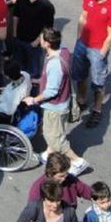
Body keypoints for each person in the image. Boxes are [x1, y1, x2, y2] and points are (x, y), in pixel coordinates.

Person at [25, 28, 89, 176]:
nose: (39, 40)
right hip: (64, 101)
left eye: (41, 39)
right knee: (53, 132)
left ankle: (78, 162)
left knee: (55, 138)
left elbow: (51, 91)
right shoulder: (64, 51)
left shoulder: (54, 64)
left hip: (55, 107)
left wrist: (33, 99)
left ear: (47, 43)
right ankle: (48, 153)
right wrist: (39, 80)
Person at [73, 0, 111, 128]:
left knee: (98, 82)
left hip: (97, 49)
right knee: (80, 75)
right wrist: (79, 38)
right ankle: (81, 101)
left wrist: (102, 52)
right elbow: (83, 17)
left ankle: (97, 109)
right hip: (82, 44)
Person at [12, 0, 55, 88]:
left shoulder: (46, 6)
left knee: (34, 73)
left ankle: (33, 97)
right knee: (20, 70)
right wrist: (15, 33)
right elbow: (16, 15)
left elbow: (48, 27)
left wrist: (36, 42)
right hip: (19, 39)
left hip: (33, 44)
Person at [14, 180, 80, 222]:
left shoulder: (69, 212)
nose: (55, 205)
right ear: (43, 198)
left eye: (58, 200)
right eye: (51, 201)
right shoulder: (33, 207)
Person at [28, 152, 93, 208]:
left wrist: (98, 197)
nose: (65, 178)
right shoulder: (37, 188)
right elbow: (33, 211)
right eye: (61, 176)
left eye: (66, 173)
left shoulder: (69, 178)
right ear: (50, 174)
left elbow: (85, 190)